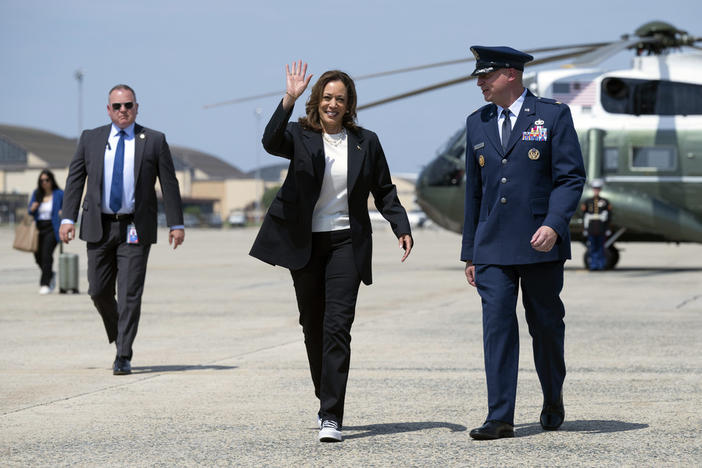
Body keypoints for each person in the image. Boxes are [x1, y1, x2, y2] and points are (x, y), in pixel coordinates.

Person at [250, 61, 413, 443]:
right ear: (317, 100)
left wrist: (401, 226)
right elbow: (269, 141)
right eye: (326, 97)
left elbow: (384, 190)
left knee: (337, 327)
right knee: (313, 326)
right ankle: (326, 395)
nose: (332, 104)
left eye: (340, 99)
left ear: (349, 104)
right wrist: (288, 98)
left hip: (346, 243)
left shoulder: (365, 141)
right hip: (305, 244)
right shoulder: (299, 135)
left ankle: (331, 415)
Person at [461, 46, 586, 439]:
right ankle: (500, 417)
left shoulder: (552, 115)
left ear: (511, 74)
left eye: (486, 75)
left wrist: (554, 224)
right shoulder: (476, 122)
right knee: (496, 327)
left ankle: (552, 396)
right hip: (493, 245)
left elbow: (570, 178)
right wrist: (471, 252)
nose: (479, 82)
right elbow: (474, 193)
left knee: (546, 325)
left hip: (540, 243)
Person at [60, 84, 185, 376]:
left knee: (129, 293)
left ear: (137, 107)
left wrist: (176, 223)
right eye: (117, 106)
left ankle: (123, 353)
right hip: (98, 226)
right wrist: (67, 218)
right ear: (108, 110)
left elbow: (169, 184)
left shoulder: (153, 140)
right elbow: (75, 180)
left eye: (128, 105)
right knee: (98, 290)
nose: (123, 110)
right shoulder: (91, 139)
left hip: (134, 227)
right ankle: (120, 332)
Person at [28, 169, 64, 294]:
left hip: (52, 227)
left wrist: (62, 212)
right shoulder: (37, 193)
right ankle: (50, 273)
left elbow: (67, 207)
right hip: (38, 228)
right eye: (42, 180)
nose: (44, 182)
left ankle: (45, 284)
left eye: (46, 180)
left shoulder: (59, 194)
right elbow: (30, 211)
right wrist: (32, 208)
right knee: (37, 256)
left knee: (46, 254)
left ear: (51, 180)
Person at [581, 179, 611, 271]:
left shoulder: (605, 201)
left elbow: (609, 216)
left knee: (601, 248)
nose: (596, 190)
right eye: (595, 188)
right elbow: (584, 216)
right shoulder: (588, 201)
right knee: (592, 247)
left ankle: (601, 265)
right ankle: (593, 265)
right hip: (591, 227)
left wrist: (607, 228)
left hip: (601, 228)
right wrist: (585, 229)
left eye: (598, 188)